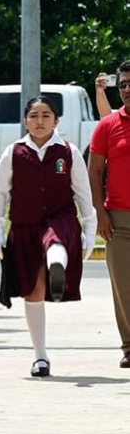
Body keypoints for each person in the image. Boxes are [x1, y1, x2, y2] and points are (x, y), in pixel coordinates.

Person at [0, 96, 96, 377]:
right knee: (33, 291)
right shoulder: (13, 152)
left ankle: (56, 266)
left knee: (55, 238)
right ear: (25, 120)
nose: (40, 121)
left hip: (60, 217)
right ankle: (40, 357)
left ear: (56, 120)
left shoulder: (68, 151)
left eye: (46, 115)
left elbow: (84, 194)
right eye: (34, 116)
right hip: (24, 225)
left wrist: (89, 230)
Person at [88, 61, 130, 369]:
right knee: (124, 285)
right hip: (119, 219)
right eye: (124, 84)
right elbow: (94, 172)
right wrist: (100, 213)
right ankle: (129, 346)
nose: (128, 89)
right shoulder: (107, 125)